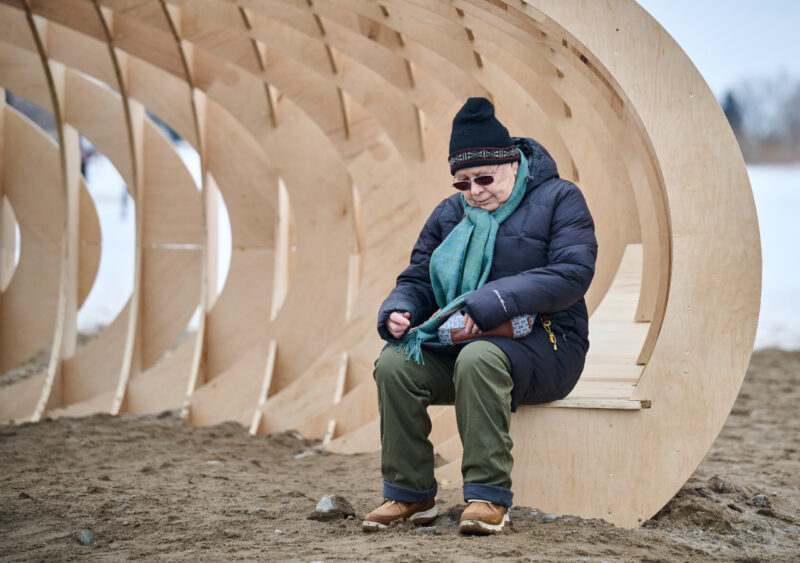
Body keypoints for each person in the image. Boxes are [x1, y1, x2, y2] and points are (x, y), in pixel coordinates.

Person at [362, 97, 598, 535]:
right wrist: (399, 309)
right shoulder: (450, 214)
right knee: (395, 363)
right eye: (463, 182)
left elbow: (573, 273)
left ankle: (488, 498)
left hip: (546, 345)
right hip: (459, 340)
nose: (475, 192)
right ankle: (410, 495)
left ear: (512, 163)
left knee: (481, 358)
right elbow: (418, 277)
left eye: (485, 178)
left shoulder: (560, 198)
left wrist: (493, 300)